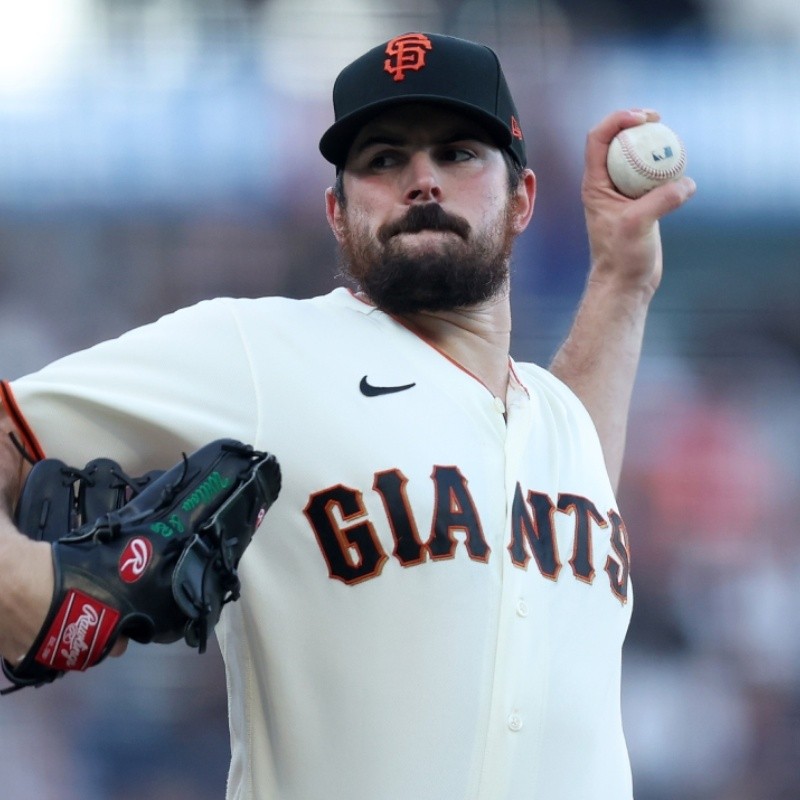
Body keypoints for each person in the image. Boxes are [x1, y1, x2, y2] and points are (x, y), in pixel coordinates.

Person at [0, 31, 694, 800]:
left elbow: (566, 472)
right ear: (337, 211)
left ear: (523, 199)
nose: (421, 179)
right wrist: (26, 586)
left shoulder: (556, 423)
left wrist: (622, 284)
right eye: (383, 159)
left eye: (459, 153)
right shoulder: (260, 352)